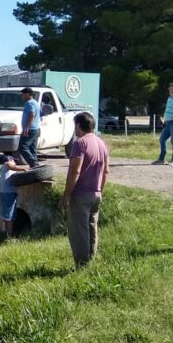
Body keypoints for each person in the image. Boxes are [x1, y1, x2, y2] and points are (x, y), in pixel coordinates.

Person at [59, 112, 111, 269]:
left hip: (81, 194)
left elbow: (75, 171)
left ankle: (81, 265)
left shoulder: (80, 143)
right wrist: (100, 190)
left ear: (79, 125)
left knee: (79, 231)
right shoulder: (102, 144)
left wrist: (66, 195)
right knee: (92, 227)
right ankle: (91, 261)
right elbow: (106, 171)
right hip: (96, 193)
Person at [0, 154, 29, 241]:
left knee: (10, 218)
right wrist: (23, 169)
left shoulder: (11, 170)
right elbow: (11, 166)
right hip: (7, 194)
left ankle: (9, 236)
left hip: (11, 194)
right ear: (9, 160)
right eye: (14, 161)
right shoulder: (6, 165)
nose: (15, 162)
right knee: (5, 215)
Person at [153, 82, 173, 165]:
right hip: (167, 122)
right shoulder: (170, 98)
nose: (169, 89)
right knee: (162, 139)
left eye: (171, 88)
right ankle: (161, 159)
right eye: (169, 88)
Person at [18, 87, 42, 167]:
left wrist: (26, 127)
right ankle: (35, 169)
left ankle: (34, 164)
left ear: (28, 94)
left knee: (22, 147)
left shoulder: (29, 103)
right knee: (32, 150)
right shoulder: (36, 103)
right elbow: (41, 114)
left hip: (30, 130)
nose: (22, 96)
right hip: (36, 129)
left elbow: (32, 114)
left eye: (23, 94)